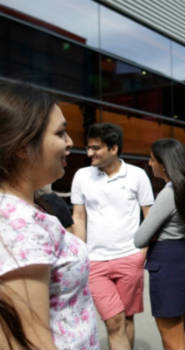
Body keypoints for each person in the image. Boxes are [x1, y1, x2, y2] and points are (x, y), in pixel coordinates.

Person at [0, 81, 98, 349]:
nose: (70, 142)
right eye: (60, 133)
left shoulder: (25, 211)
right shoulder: (15, 224)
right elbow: (30, 339)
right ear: (22, 146)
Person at [71, 123, 154, 350]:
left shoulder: (137, 176)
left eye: (96, 148)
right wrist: (82, 254)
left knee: (127, 318)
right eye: (88, 148)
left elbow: (150, 217)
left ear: (114, 148)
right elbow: (79, 217)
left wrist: (142, 254)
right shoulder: (82, 176)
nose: (89, 153)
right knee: (113, 320)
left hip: (130, 258)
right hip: (95, 261)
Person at [134, 138, 185, 350]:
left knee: (171, 341)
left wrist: (153, 232)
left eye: (152, 159)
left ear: (164, 164)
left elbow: (139, 238)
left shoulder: (168, 193)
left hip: (166, 266)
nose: (149, 163)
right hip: (179, 259)